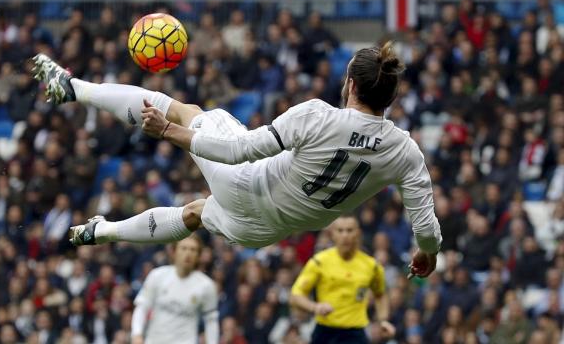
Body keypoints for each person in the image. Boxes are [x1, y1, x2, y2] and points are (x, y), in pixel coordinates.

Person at [32, 40, 442, 278]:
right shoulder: (404, 151)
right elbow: (426, 230)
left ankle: (73, 89)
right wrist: (427, 255)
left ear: (350, 83)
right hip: (264, 231)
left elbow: (239, 151)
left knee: (185, 111)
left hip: (244, 182)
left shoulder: (318, 115)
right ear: (391, 97)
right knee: (193, 213)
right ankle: (101, 233)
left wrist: (171, 132)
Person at [289, 215, 395, 344]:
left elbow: (380, 294)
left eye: (350, 230)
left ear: (358, 233)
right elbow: (296, 294)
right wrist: (315, 307)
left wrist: (383, 320)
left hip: (355, 333)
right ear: (332, 234)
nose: (345, 235)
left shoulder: (371, 266)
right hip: (325, 331)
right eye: (340, 230)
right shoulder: (319, 261)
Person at [130, 234, 219, 344]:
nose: (188, 253)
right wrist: (136, 334)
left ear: (199, 255)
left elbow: (211, 321)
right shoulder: (157, 276)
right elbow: (142, 307)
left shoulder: (206, 286)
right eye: (184, 248)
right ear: (174, 251)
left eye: (193, 250)